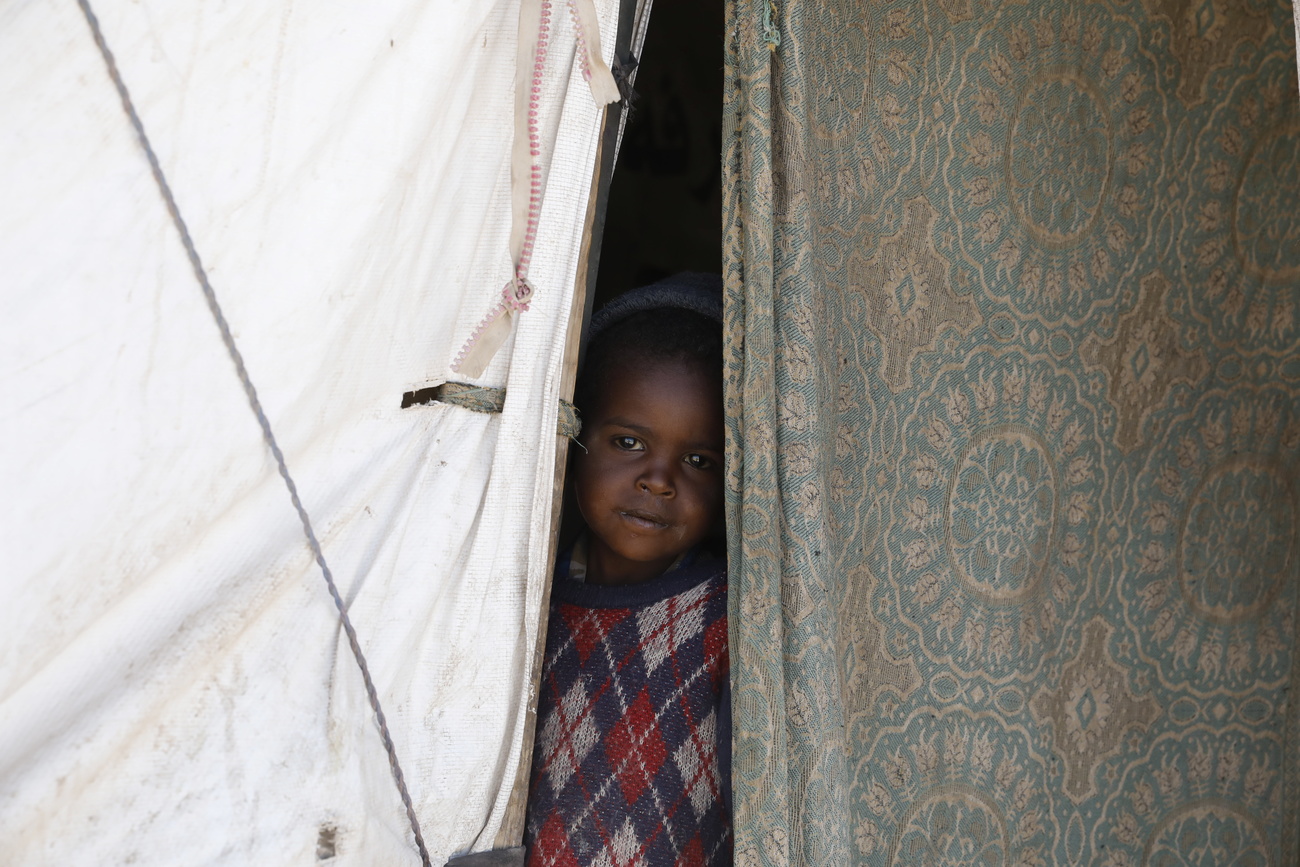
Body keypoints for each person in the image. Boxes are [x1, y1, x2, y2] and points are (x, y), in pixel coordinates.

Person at [524, 274, 732, 867]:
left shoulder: (727, 619)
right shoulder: (516, 592)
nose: (659, 481)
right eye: (628, 442)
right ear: (575, 434)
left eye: (698, 460)